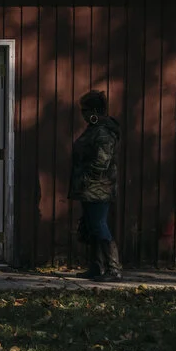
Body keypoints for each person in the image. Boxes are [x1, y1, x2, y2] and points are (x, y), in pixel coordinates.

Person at [69, 90, 122, 282]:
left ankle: (113, 269)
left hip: (98, 187)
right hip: (89, 188)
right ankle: (96, 266)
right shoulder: (94, 128)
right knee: (92, 225)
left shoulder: (103, 131)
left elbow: (102, 160)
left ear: (93, 111)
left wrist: (87, 177)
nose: (82, 115)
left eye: (84, 110)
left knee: (99, 225)